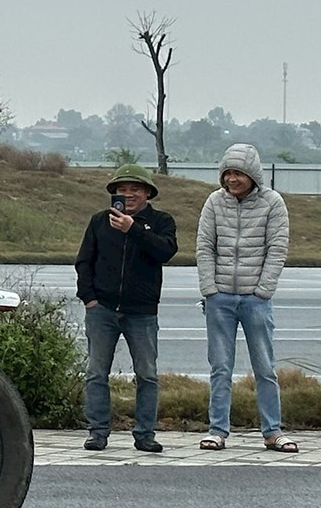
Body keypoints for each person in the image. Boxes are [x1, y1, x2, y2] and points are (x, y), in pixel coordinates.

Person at [197, 143, 297, 452]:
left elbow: (277, 248)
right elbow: (204, 246)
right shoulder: (214, 202)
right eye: (227, 173)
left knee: (264, 367)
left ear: (252, 174)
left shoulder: (273, 203)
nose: (231, 180)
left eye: (238, 173)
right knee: (220, 366)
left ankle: (272, 430)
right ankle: (217, 430)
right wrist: (209, 289)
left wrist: (263, 290)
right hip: (220, 299)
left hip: (256, 300)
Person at [74, 162, 177, 452]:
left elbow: (165, 251)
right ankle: (97, 432)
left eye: (135, 189)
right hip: (102, 309)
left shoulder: (161, 221)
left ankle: (145, 433)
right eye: (122, 190)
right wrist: (89, 298)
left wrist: (133, 229)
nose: (128, 195)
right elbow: (84, 261)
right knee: (96, 372)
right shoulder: (98, 221)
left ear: (147, 193)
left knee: (147, 374)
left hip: (142, 312)